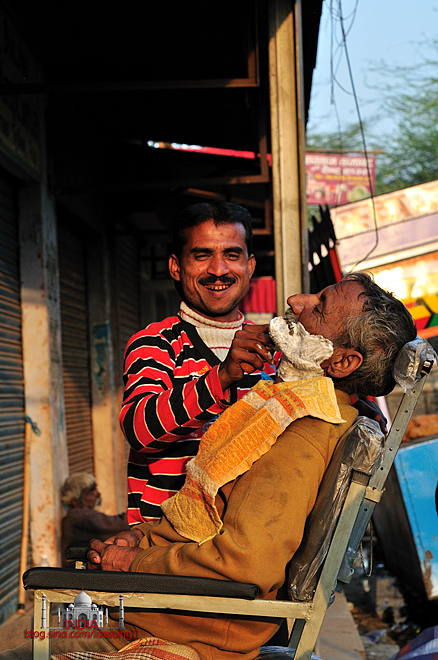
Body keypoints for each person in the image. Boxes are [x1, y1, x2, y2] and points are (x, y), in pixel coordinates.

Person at [87, 272, 417, 660]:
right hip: (163, 604)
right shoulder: (290, 407)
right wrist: (142, 538)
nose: (296, 300)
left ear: (343, 361)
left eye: (320, 305)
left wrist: (134, 561)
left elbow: (242, 565)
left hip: (181, 628)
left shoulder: (303, 433)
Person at [121, 202, 279, 525]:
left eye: (232, 255)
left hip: (247, 545)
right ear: (176, 267)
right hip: (166, 550)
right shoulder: (155, 343)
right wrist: (221, 377)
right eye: (202, 255)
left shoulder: (275, 352)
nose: (218, 270)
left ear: (249, 266)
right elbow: (139, 429)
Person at [60, 473, 129, 567]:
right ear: (75, 501)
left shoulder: (77, 515)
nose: (97, 494)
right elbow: (119, 524)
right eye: (91, 492)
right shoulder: (77, 516)